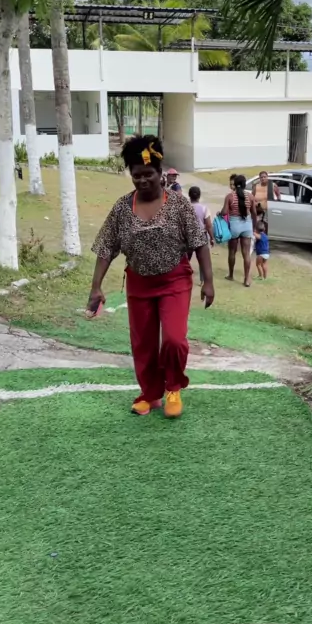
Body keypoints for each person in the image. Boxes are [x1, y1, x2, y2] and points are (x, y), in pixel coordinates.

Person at [87, 135, 214, 419]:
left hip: (174, 281)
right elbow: (106, 247)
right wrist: (96, 286)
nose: (143, 180)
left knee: (173, 340)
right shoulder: (122, 208)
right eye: (137, 175)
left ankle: (173, 388)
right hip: (139, 283)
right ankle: (150, 394)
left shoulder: (179, 204)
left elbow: (199, 241)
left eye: (148, 174)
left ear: (160, 173)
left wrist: (208, 281)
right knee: (143, 343)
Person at [222, 174, 257, 287]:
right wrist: (254, 226)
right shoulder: (250, 196)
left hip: (234, 225)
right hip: (247, 225)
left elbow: (224, 212)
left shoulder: (230, 196)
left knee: (232, 252)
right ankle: (246, 279)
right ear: (244, 184)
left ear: (235, 184)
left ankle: (231, 275)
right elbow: (254, 213)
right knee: (246, 254)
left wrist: (219, 213)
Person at [188, 185, 214, 284]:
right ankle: (202, 280)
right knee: (203, 260)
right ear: (199, 196)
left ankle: (185, 277)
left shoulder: (186, 207)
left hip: (189, 236)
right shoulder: (204, 208)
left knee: (186, 259)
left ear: (189, 195)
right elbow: (209, 225)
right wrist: (212, 238)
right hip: (201, 236)